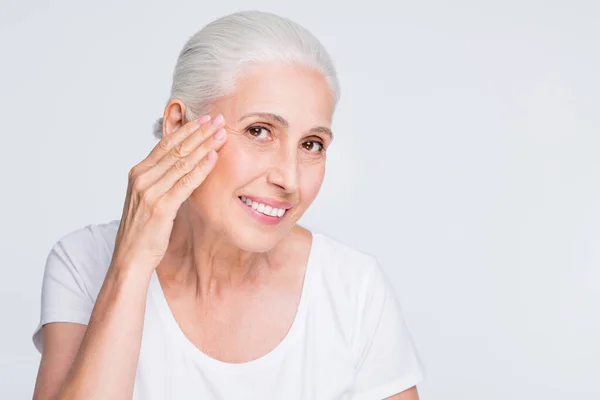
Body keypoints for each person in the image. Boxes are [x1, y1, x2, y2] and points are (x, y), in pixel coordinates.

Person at [32, 10, 425, 400]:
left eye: (311, 144)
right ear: (178, 125)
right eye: (259, 131)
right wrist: (131, 265)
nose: (289, 178)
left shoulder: (353, 288)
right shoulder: (84, 262)